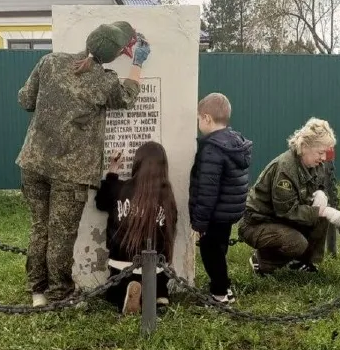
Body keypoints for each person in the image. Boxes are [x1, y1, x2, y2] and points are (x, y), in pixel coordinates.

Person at [16, 21, 151, 307]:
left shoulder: (50, 62)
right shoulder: (104, 81)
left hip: (33, 162)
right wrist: (138, 63)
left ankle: (37, 291)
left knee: (40, 226)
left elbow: (25, 100)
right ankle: (60, 293)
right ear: (115, 54)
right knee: (61, 234)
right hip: (70, 172)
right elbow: (127, 98)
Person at [237, 118, 340, 275]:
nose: (324, 158)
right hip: (258, 223)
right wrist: (322, 211)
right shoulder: (286, 169)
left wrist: (321, 193)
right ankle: (262, 261)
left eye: (326, 153)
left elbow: (319, 183)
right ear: (304, 147)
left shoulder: (313, 164)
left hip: (279, 220)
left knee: (321, 215)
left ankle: (305, 262)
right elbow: (286, 211)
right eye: (320, 152)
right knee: (297, 242)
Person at [94, 142, 177, 315]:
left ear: (137, 163)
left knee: (114, 291)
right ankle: (158, 295)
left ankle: (127, 295)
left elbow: (101, 202)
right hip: (154, 266)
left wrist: (112, 170)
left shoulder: (120, 188)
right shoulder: (167, 195)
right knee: (158, 275)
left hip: (120, 264)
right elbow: (169, 232)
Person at [189, 92, 253, 304]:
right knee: (220, 250)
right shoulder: (234, 142)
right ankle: (225, 288)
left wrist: (199, 222)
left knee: (210, 253)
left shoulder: (212, 149)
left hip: (214, 214)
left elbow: (208, 189)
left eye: (198, 119)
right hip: (228, 212)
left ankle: (219, 294)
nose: (198, 123)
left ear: (207, 118)